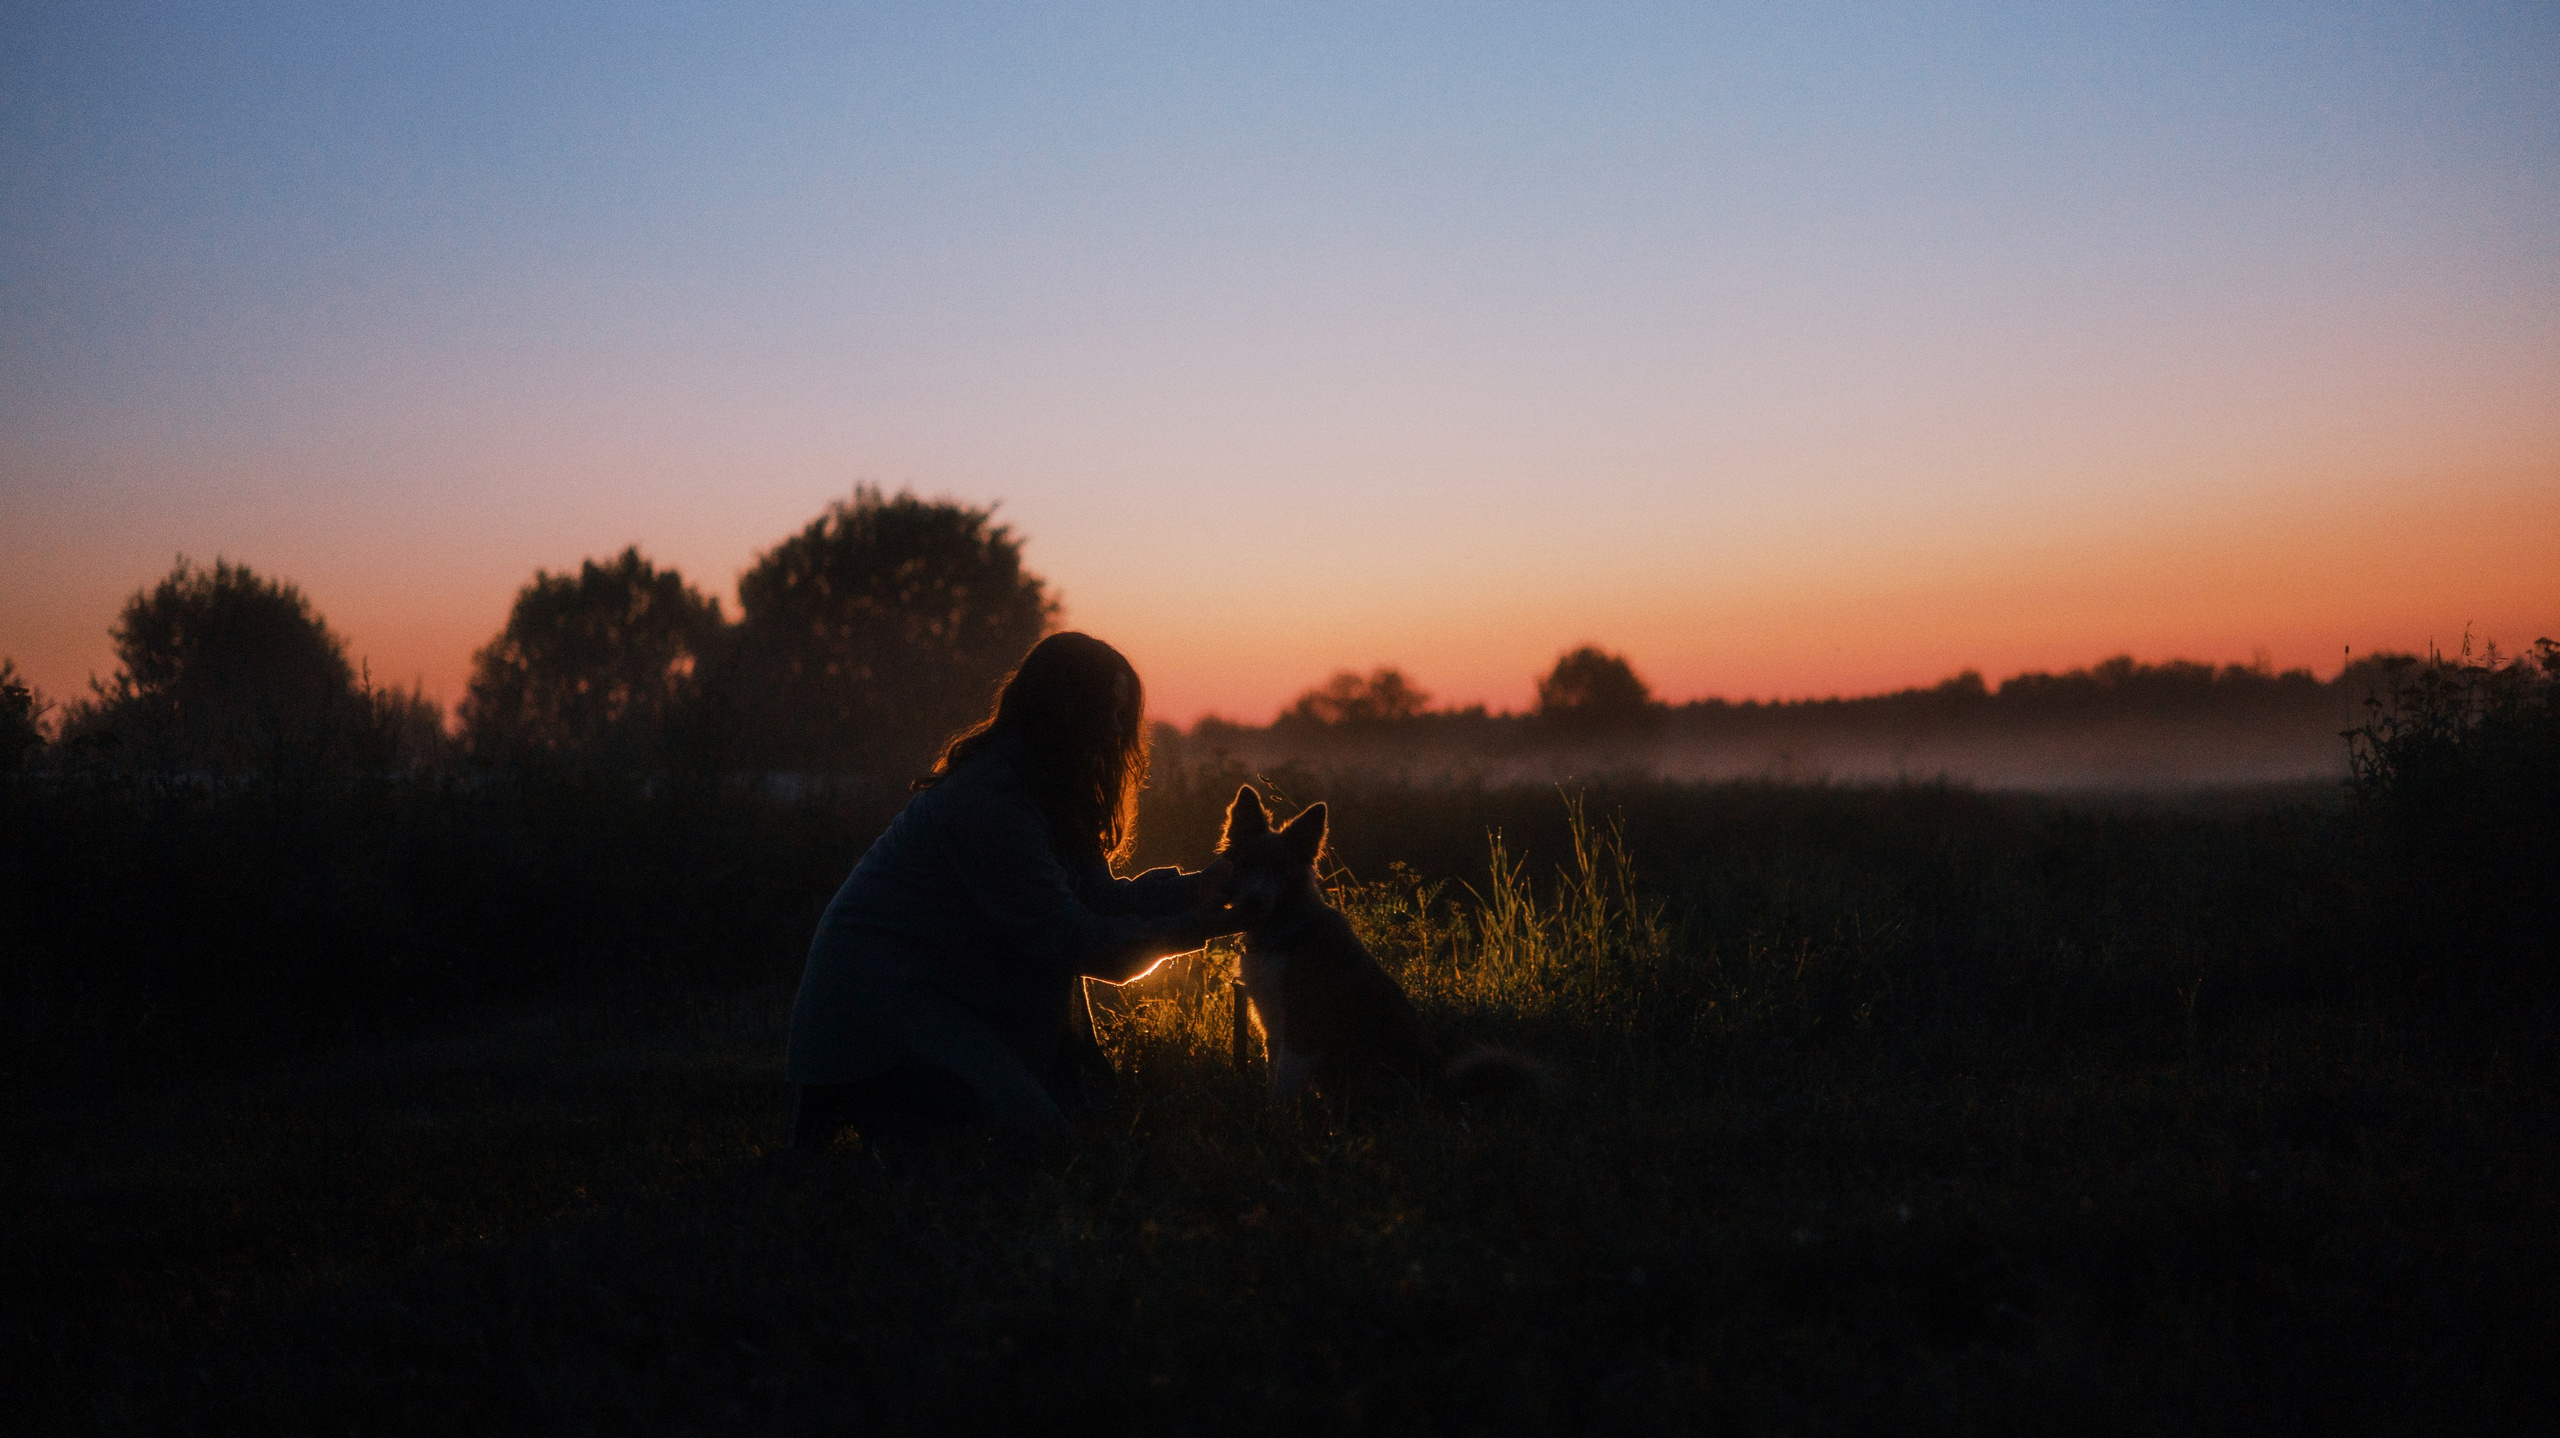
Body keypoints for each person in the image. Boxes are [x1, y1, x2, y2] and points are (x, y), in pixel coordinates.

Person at [784, 632, 1256, 1147]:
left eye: (1123, 714)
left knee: (1064, 1127)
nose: (1118, 730)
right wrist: (1199, 927)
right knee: (1038, 1144)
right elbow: (1070, 939)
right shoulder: (990, 800)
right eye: (1108, 711)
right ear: (1064, 712)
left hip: (943, 995)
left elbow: (1099, 899)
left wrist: (1197, 890)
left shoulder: (1047, 790)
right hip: (881, 1008)